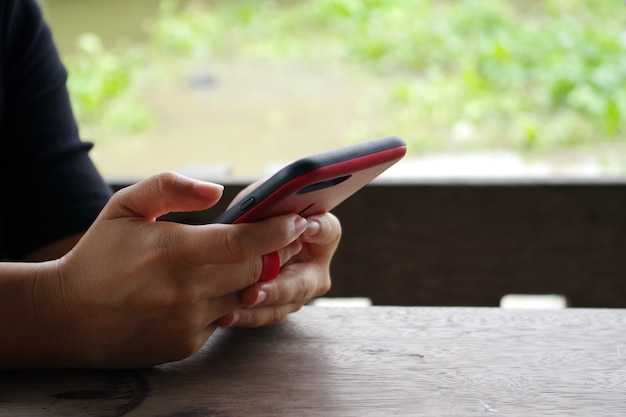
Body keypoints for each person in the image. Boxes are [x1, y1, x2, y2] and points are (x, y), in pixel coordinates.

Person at [0, 0, 341, 369]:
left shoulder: (12, 16)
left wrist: (233, 266)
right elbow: (74, 295)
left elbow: (67, 238)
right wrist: (48, 310)